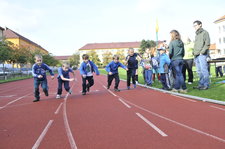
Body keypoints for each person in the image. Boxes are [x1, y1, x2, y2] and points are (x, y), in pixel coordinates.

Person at [193, 20, 210, 90]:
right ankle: (201, 84)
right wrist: (194, 53)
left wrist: (202, 52)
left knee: (204, 70)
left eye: (195, 25)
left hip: (202, 55)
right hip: (196, 55)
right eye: (193, 26)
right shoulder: (196, 34)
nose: (194, 27)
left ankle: (206, 85)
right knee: (199, 71)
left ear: (200, 25)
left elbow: (207, 44)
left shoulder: (205, 33)